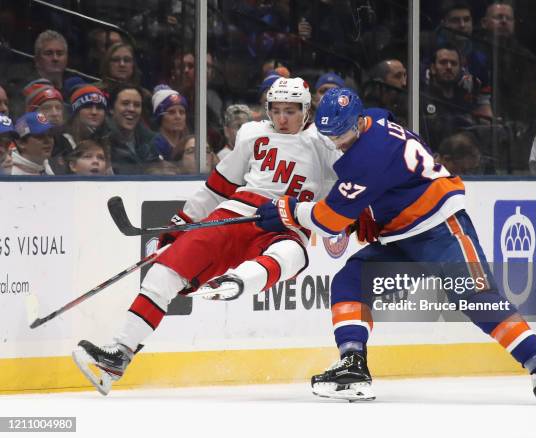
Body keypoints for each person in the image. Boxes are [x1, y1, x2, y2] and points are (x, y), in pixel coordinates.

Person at [255, 87, 536, 405]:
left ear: (356, 122)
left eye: (342, 134)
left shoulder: (367, 156)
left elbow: (329, 220)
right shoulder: (376, 118)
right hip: (399, 236)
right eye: (331, 136)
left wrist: (289, 210)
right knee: (350, 281)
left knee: (476, 296)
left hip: (441, 229)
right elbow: (397, 174)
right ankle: (353, 364)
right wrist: (372, 210)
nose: (338, 143)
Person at [72, 77, 340, 396]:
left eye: (291, 111)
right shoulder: (253, 135)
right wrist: (182, 222)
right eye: (276, 110)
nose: (282, 118)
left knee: (292, 256)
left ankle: (238, 281)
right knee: (163, 273)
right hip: (236, 212)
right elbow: (217, 187)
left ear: (306, 111)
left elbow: (345, 198)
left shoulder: (325, 146)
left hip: (286, 224)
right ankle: (116, 358)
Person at [420, 44, 492, 150]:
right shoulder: (421, 98)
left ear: (460, 69)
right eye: (443, 62)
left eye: (454, 64)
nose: (449, 67)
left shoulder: (466, 98)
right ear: (433, 68)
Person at [106, 85, 160, 174]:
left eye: (137, 105)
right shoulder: (101, 142)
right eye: (125, 103)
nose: (132, 109)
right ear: (111, 109)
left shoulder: (151, 141)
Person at [150, 85, 189, 161]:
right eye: (171, 112)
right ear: (160, 117)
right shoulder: (152, 144)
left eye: (182, 112)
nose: (178, 116)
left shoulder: (191, 143)